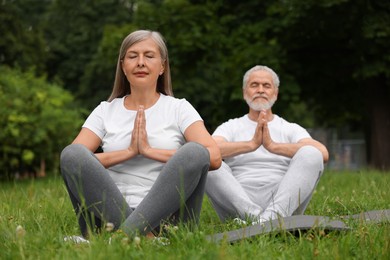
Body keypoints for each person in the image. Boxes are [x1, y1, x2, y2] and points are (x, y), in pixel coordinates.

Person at [60, 30, 222, 241]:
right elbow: (74, 161)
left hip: (169, 222)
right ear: (123, 66)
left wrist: (149, 151)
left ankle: (125, 237)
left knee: (195, 152)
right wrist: (129, 152)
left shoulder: (179, 108)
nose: (140, 62)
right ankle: (143, 238)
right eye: (133, 56)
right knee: (72, 154)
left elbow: (214, 157)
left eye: (149, 55)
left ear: (162, 66)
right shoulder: (104, 111)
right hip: (106, 219)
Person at [205, 65, 329, 224]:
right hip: (239, 201)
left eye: (266, 85)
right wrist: (251, 144)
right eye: (254, 85)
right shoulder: (230, 127)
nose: (261, 90)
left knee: (312, 153)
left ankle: (267, 220)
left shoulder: (290, 128)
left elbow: (322, 152)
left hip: (283, 202)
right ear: (245, 93)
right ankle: (265, 222)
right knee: (205, 158)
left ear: (275, 94)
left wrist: (273, 146)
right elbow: (208, 149)